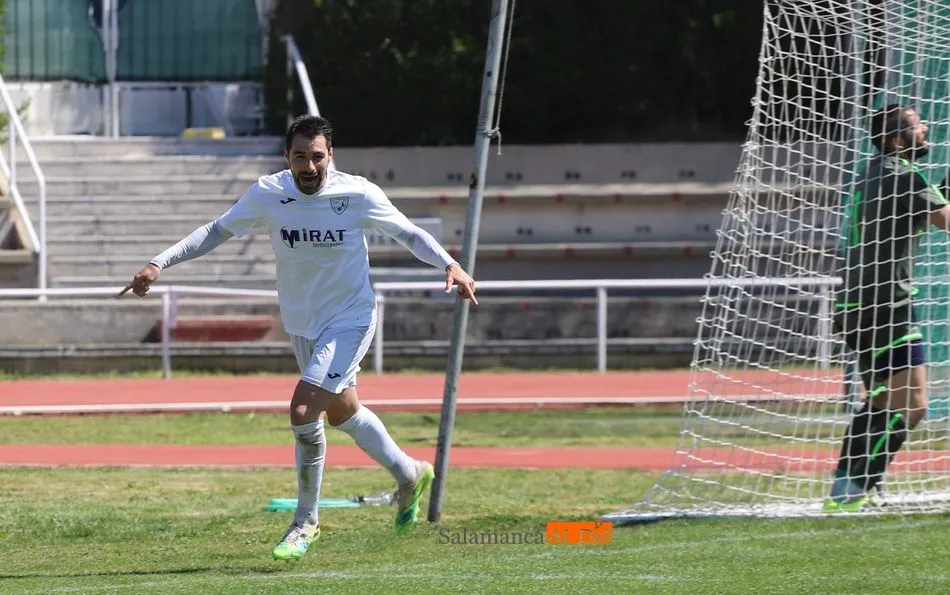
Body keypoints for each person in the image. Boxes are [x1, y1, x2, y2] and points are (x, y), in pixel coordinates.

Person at [119, 115, 478, 558]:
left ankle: (306, 522)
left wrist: (449, 264)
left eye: (317, 157)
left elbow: (408, 233)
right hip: (303, 323)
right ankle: (410, 474)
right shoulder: (269, 193)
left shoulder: (357, 194)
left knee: (304, 410)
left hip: (350, 319)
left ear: (331, 156)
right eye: (300, 157)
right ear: (286, 156)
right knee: (343, 412)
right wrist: (159, 262)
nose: (309, 166)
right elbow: (216, 230)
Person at [827, 104, 950, 512]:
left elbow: (917, 215)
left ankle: (845, 485)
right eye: (916, 126)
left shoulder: (872, 172)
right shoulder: (905, 175)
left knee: (881, 399)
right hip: (887, 306)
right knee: (914, 404)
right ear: (897, 141)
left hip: (854, 304)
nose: (925, 128)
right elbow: (945, 220)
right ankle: (856, 488)